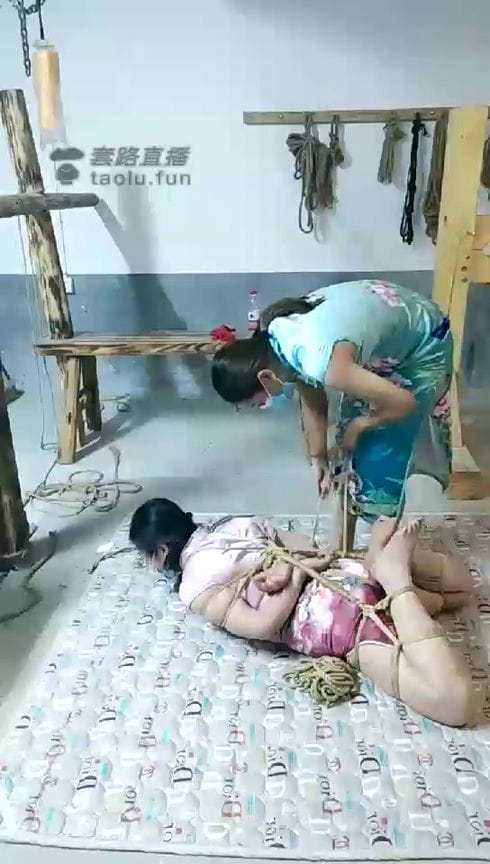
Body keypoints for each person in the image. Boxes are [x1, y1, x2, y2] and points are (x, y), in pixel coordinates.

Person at [129, 498, 474, 728]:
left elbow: (264, 625)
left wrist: (291, 577)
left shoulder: (194, 584)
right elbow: (315, 551)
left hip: (335, 619)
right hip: (349, 574)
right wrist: (291, 565)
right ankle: (382, 568)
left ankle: (396, 580)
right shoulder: (235, 524)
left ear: (162, 552)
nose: (147, 564)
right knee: (462, 589)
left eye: (145, 556)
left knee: (454, 703)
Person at [211, 281, 453, 546]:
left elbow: (404, 403)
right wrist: (319, 458)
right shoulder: (276, 340)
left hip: (423, 341)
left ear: (265, 377)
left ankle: (380, 552)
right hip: (391, 330)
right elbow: (312, 396)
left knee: (379, 455)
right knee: (344, 451)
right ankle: (340, 545)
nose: (261, 407)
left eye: (256, 403)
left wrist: (360, 426)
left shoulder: (318, 359)